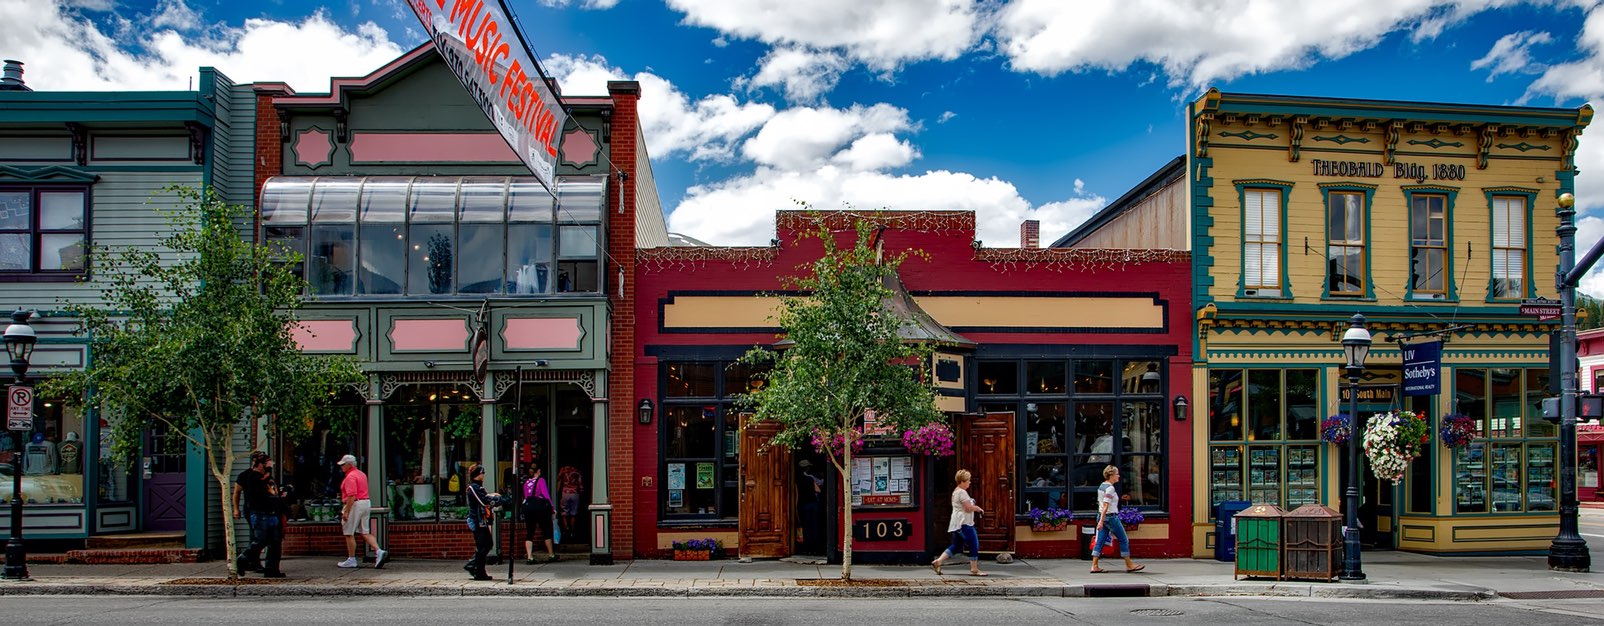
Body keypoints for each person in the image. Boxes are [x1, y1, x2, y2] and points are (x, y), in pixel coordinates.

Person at [930, 469, 986, 577]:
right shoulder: (962, 492)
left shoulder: (955, 492)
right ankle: (974, 569)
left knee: (957, 546)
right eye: (968, 480)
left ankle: (939, 561)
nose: (969, 482)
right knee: (974, 543)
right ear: (962, 481)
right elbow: (968, 508)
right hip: (964, 523)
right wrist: (978, 508)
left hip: (956, 523)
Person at [1090, 465, 1145, 574]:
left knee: (1100, 541)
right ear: (1111, 475)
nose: (1119, 476)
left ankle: (1094, 565)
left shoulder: (1102, 486)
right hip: (1110, 517)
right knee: (1124, 539)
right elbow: (1106, 505)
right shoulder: (1110, 488)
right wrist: (1101, 522)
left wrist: (1101, 520)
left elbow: (1102, 504)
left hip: (1102, 515)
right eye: (1117, 474)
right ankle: (1129, 565)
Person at [337, 454, 388, 569]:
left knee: (348, 532)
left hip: (355, 503)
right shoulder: (361, 474)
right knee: (365, 531)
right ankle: (378, 551)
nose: (341, 467)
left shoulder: (350, 477)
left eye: (343, 465)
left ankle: (351, 559)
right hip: (366, 502)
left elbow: (352, 495)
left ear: (349, 465)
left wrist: (346, 511)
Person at [233, 451, 274, 575]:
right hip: (252, 510)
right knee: (257, 537)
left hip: (265, 510)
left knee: (259, 537)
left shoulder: (266, 475)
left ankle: (250, 561)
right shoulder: (246, 475)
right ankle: (250, 561)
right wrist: (236, 508)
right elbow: (237, 492)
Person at [463, 464, 502, 581]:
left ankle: (474, 566)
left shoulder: (478, 487)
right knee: (483, 545)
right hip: (477, 520)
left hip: (481, 520)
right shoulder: (473, 487)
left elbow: (484, 497)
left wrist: (492, 496)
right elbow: (483, 501)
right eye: (482, 473)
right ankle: (478, 570)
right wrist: (497, 500)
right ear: (477, 475)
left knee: (487, 544)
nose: (483, 475)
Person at [522, 467, 557, 564]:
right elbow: (546, 495)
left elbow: (525, 496)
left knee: (530, 532)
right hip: (541, 509)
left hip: (529, 509)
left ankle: (529, 557)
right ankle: (551, 555)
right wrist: (552, 508)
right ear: (539, 471)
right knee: (546, 530)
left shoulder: (526, 483)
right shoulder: (541, 481)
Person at [557, 465, 583, 542]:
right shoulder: (577, 471)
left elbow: (558, 479)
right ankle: (572, 531)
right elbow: (580, 485)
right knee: (573, 513)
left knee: (564, 512)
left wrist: (557, 492)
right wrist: (580, 492)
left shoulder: (563, 469)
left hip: (565, 492)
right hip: (575, 493)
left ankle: (566, 528)